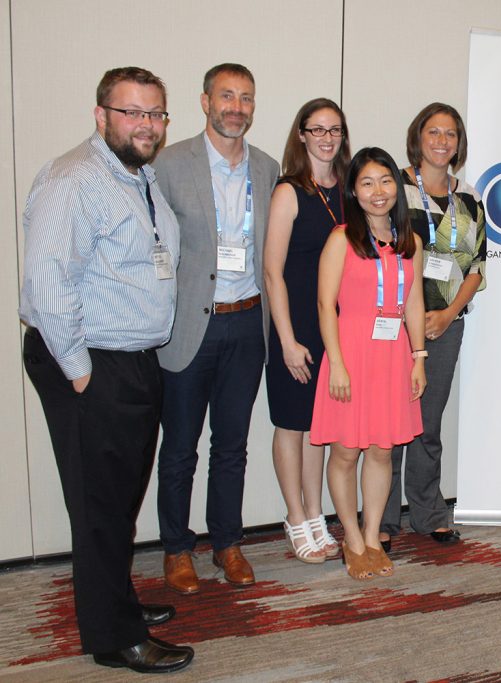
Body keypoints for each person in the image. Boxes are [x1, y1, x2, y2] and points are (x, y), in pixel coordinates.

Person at [20, 66, 193, 673]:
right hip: (93, 364)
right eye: (132, 112)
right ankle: (113, 637)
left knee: (118, 500)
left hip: (130, 360)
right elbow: (47, 281)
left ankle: (116, 600)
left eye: (155, 114)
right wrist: (78, 370)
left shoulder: (136, 177)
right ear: (102, 116)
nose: (146, 124)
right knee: (98, 506)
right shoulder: (75, 179)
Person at [155, 63, 280, 593]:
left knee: (232, 445)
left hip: (248, 323)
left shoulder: (268, 169)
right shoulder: (168, 164)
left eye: (246, 98)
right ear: (204, 101)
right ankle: (177, 549)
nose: (237, 107)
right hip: (189, 330)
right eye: (226, 96)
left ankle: (227, 544)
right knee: (180, 446)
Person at [310, 147, 426, 580]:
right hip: (350, 356)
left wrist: (418, 358)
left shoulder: (408, 241)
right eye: (367, 183)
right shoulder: (341, 239)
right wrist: (336, 364)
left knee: (382, 450)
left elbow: (413, 303)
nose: (379, 192)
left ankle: (374, 535)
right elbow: (324, 305)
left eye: (386, 181)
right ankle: (352, 538)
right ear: (353, 192)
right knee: (345, 451)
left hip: (394, 356)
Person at [381, 103, 486, 550]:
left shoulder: (470, 197)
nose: (442, 141)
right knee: (388, 423)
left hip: (446, 326)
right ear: (417, 137)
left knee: (427, 422)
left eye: (450, 134)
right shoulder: (393, 187)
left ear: (458, 143)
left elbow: (478, 266)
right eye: (433, 132)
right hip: (393, 326)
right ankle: (382, 519)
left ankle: (428, 513)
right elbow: (378, 254)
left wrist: (446, 314)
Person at [264, 99, 350, 563]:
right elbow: (272, 273)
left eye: (334, 129)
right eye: (316, 129)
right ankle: (296, 518)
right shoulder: (289, 191)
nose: (326, 137)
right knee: (291, 425)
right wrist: (287, 342)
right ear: (301, 135)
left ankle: (318, 516)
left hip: (333, 328)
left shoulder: (349, 191)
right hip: (294, 328)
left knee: (320, 426)